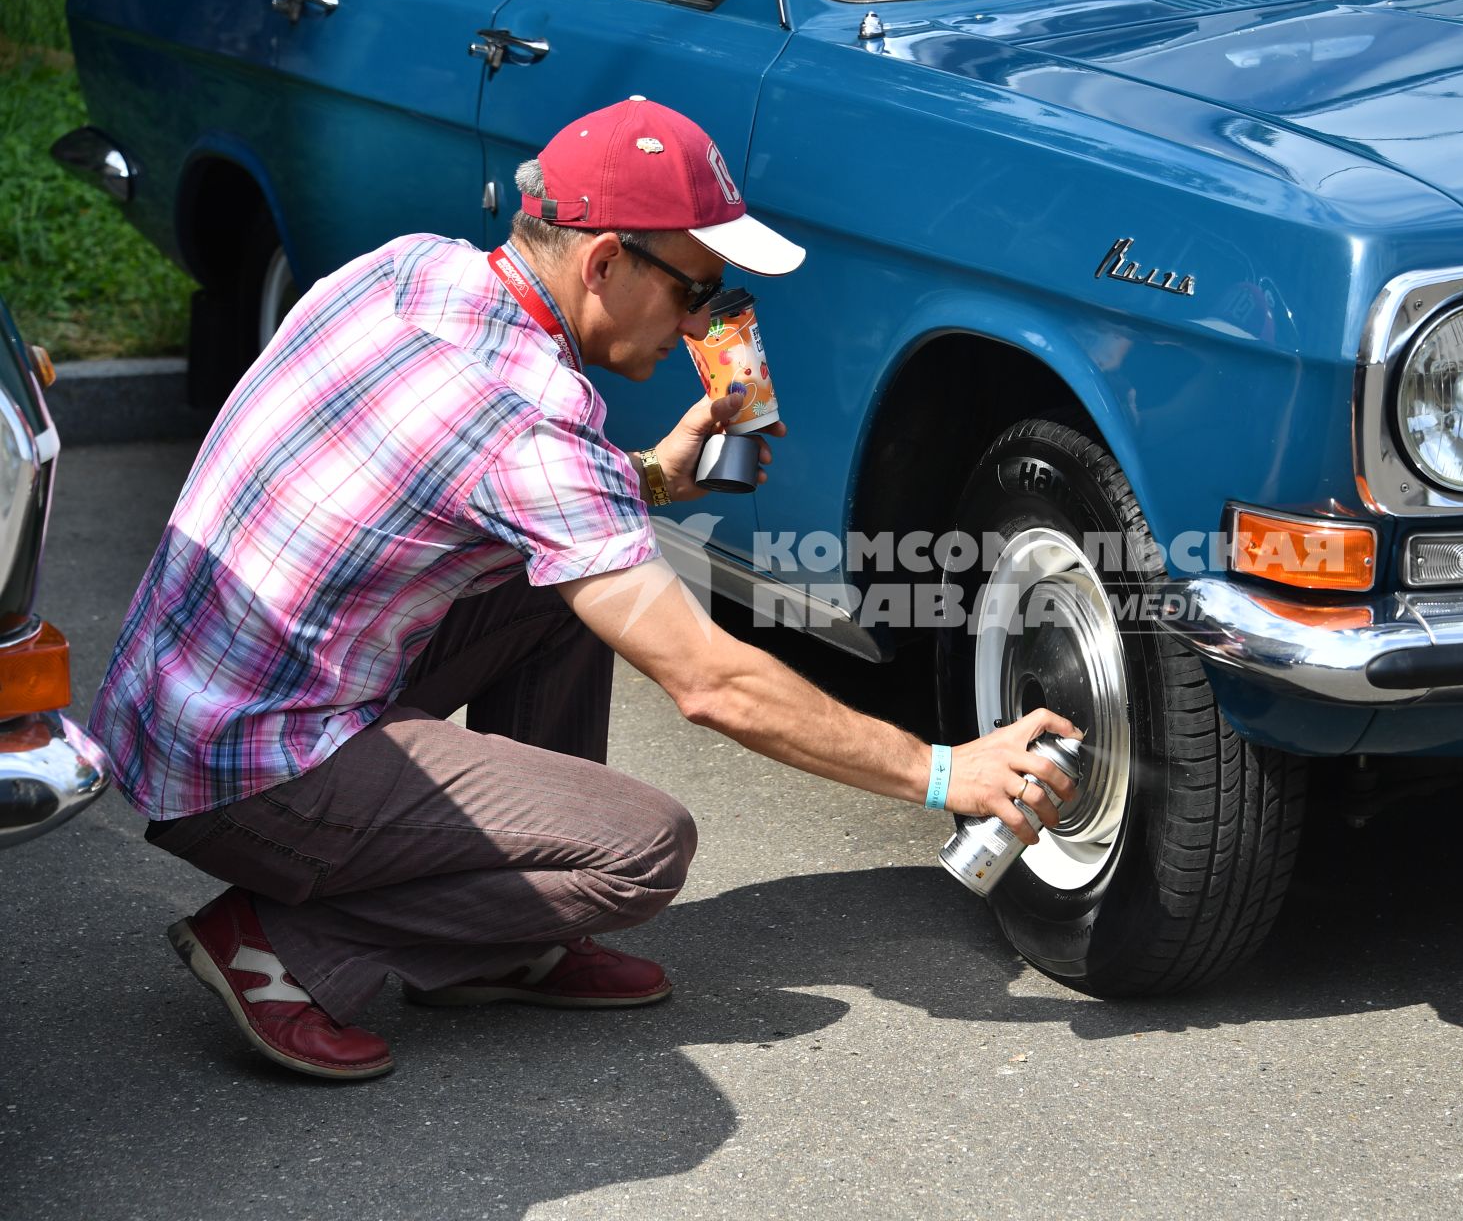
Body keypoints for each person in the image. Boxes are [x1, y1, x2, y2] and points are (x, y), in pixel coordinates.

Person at [89, 97, 1079, 1082]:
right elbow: (709, 683)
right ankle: (281, 945)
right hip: (245, 769)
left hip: (180, 699)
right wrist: (945, 772)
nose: (702, 322)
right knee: (641, 849)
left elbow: (474, 485)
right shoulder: (531, 423)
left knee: (574, 569)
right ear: (604, 262)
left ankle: (506, 941)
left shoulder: (409, 266)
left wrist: (641, 477)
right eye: (695, 289)